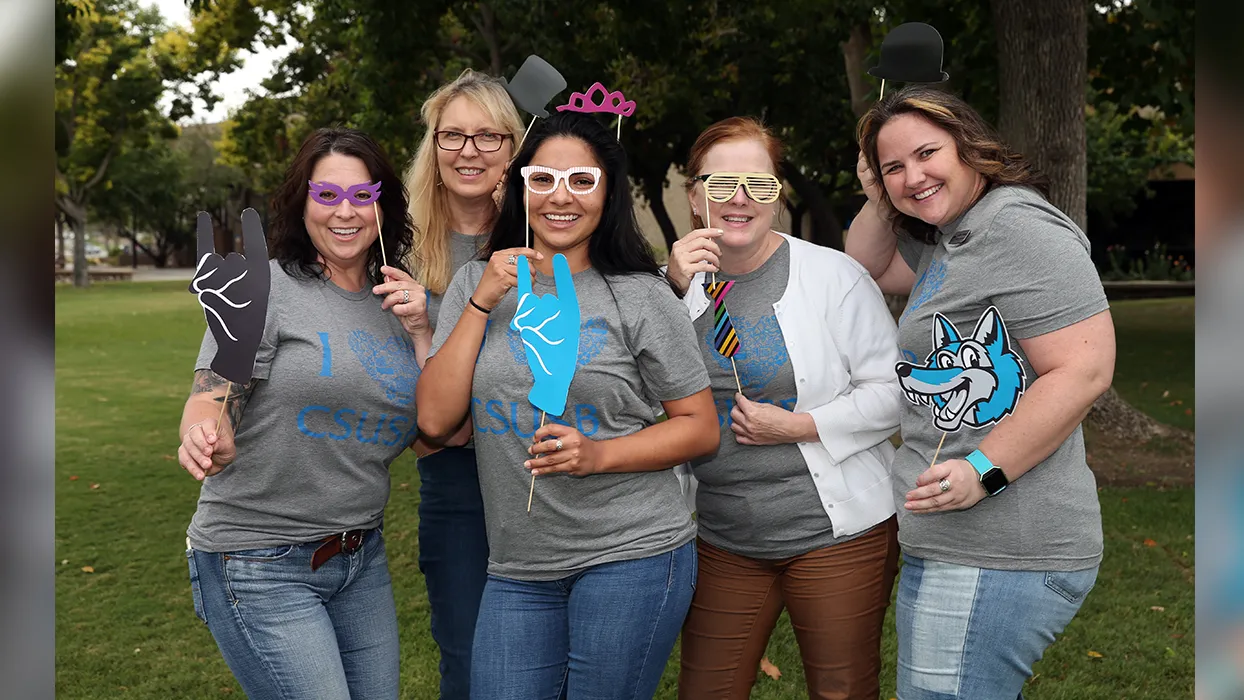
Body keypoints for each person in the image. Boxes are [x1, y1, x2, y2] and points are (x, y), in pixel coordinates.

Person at [415, 111, 719, 700]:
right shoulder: (477, 283)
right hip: (517, 566)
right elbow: (434, 419)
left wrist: (596, 455)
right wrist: (482, 301)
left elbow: (699, 428)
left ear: (608, 192)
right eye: (544, 179)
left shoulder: (641, 293)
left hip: (630, 553)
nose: (561, 197)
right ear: (520, 185)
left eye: (582, 180)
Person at [847, 86, 1116, 699]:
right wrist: (876, 194)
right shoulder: (957, 236)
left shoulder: (1016, 227)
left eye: (926, 153)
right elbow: (866, 264)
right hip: (956, 543)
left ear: (969, 146)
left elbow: (1085, 369)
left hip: (999, 548)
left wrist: (983, 471)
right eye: (894, 166)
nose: (913, 176)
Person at [177, 127, 429, 700]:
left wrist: (423, 332)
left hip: (359, 556)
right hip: (258, 558)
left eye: (363, 197)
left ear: (384, 206)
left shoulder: (404, 301)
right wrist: (207, 432)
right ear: (301, 202)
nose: (346, 212)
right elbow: (214, 393)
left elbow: (441, 433)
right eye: (327, 196)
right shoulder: (264, 289)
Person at [665, 116, 903, 700]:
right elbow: (635, 392)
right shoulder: (666, 287)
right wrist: (668, 295)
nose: (739, 199)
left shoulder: (835, 277)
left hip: (835, 533)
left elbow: (896, 391)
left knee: (841, 691)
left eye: (759, 184)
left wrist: (801, 425)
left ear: (778, 194)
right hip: (724, 536)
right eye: (720, 185)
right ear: (695, 197)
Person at [402, 67, 524, 700]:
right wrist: (425, 329)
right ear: (434, 145)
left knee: (547, 659)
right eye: (453, 136)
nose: (469, 152)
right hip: (456, 481)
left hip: (545, 470)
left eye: (488, 137)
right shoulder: (398, 244)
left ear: (514, 146)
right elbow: (430, 429)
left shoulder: (550, 229)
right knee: (470, 658)